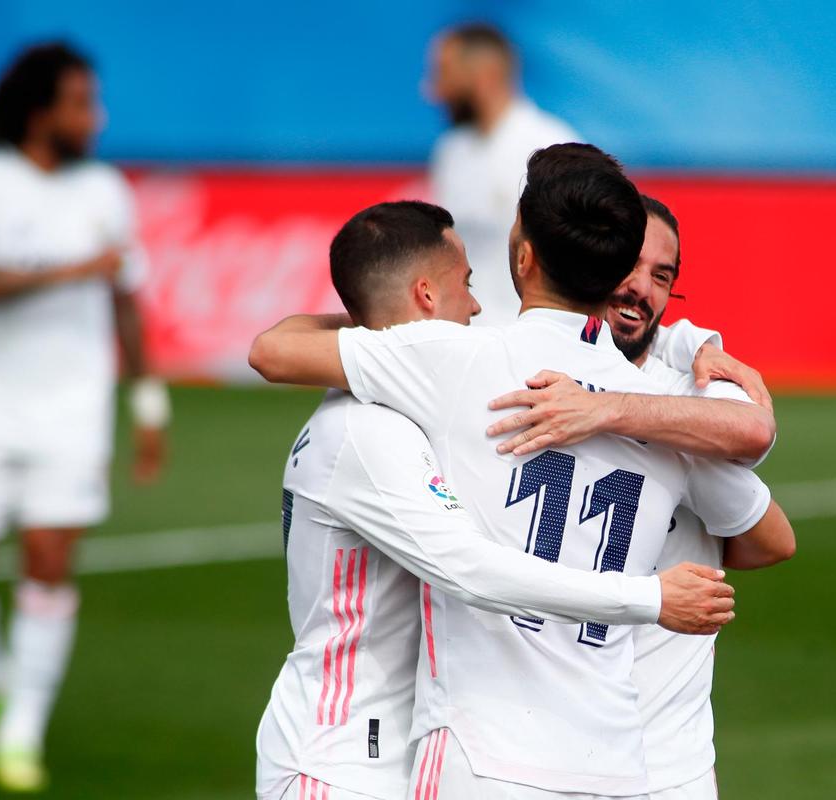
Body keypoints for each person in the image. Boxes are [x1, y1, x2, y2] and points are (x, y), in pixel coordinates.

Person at [249, 143, 791, 798]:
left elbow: (274, 354)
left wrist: (375, 317)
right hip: (616, 764)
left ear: (523, 255)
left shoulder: (453, 360)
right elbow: (754, 453)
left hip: (482, 756)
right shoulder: (674, 414)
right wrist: (690, 342)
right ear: (622, 271)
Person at [486, 195, 796, 799]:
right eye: (630, 265)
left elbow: (769, 517)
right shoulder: (530, 377)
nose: (642, 290)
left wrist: (662, 368)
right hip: (540, 747)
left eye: (663, 276)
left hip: (665, 759)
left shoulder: (694, 398)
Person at [0, 42, 168, 792]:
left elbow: (125, 301)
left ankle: (22, 728)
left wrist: (147, 402)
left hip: (72, 408)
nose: (96, 117)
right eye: (81, 102)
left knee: (50, 561)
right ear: (39, 111)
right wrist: (72, 269)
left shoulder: (106, 191)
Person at [427, 23, 578, 327]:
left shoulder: (552, 147)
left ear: (485, 76)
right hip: (462, 337)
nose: (432, 91)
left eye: (444, 73)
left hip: (529, 343)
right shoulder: (450, 152)